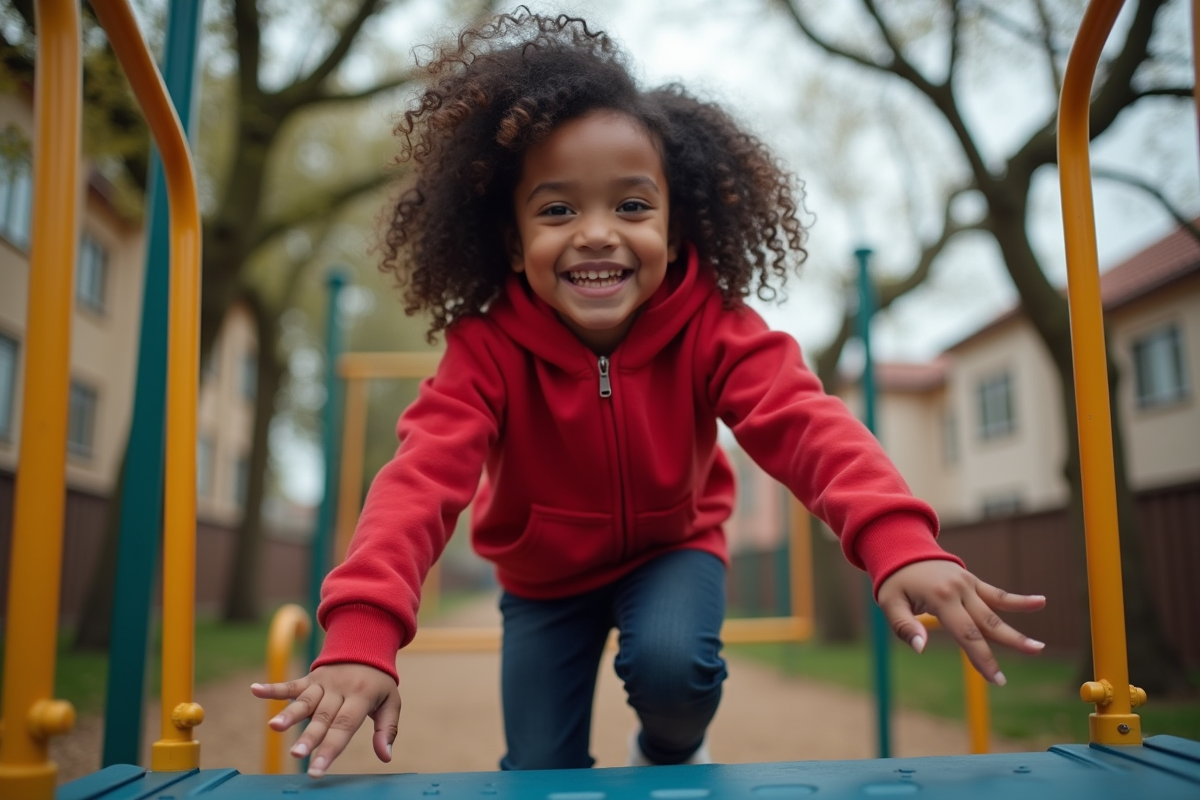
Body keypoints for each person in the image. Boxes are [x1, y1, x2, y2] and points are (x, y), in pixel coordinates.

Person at [251, 9, 1045, 779]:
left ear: (676, 225)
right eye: (558, 209)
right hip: (542, 581)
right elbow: (419, 484)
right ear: (511, 239)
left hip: (673, 553)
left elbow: (806, 427)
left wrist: (896, 539)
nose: (597, 232)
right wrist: (363, 629)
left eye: (632, 206)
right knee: (537, 770)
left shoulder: (715, 328)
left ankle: (667, 754)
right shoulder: (485, 352)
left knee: (675, 672)